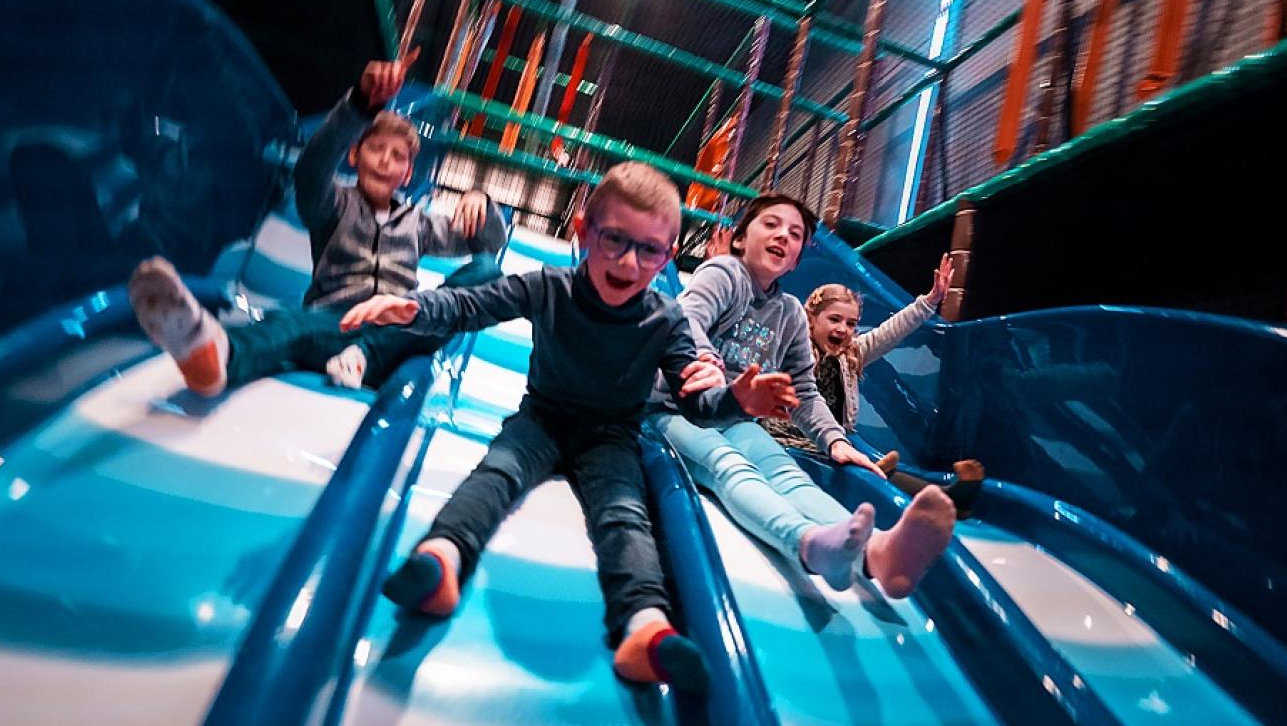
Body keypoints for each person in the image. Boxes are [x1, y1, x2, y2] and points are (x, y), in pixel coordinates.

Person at [344, 163, 796, 693]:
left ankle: (645, 625)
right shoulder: (549, 287)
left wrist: (738, 400)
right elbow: (472, 304)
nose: (628, 262)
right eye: (614, 240)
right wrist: (414, 307)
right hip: (542, 418)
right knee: (495, 474)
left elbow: (696, 402)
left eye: (649, 250)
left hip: (611, 437)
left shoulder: (667, 319)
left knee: (624, 515)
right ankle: (442, 556)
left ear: (667, 257)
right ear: (583, 232)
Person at [127, 49, 506, 395]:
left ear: (408, 174)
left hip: (396, 332)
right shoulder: (334, 205)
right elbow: (312, 169)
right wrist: (358, 105)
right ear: (354, 156)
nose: (385, 160)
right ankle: (214, 356)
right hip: (336, 326)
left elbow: (488, 244)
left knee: (487, 273)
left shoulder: (418, 224)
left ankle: (366, 354)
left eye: (397, 156)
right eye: (376, 149)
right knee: (289, 324)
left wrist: (482, 202)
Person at [648, 194, 956, 598]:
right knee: (731, 466)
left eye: (795, 235)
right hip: (676, 408)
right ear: (740, 239)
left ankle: (876, 552)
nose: (783, 236)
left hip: (735, 416)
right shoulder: (724, 274)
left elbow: (805, 393)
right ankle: (807, 543)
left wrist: (835, 441)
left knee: (787, 474)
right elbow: (687, 318)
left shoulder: (790, 313)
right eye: (771, 224)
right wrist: (705, 360)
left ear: (796, 260)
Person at [761, 259, 985, 519]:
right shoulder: (792, 351)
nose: (843, 329)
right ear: (810, 318)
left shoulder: (850, 354)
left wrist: (930, 300)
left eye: (851, 323)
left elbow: (891, 331)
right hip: (791, 444)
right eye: (834, 319)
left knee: (867, 469)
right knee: (861, 473)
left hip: (832, 443)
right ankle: (947, 499)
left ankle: (947, 498)